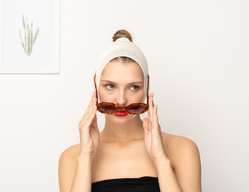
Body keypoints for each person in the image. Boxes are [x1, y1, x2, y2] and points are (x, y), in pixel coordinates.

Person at [58, 29, 202, 192]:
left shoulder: (182, 149)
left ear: (146, 88)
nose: (121, 100)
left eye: (133, 87)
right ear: (96, 86)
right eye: (110, 86)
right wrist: (86, 156)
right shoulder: (71, 158)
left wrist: (160, 159)